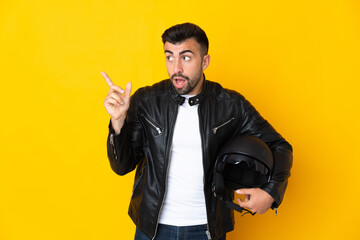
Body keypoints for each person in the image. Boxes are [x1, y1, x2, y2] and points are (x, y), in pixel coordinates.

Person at [102, 23, 293, 240]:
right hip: (152, 229)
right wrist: (118, 122)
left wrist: (271, 191)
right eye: (169, 57)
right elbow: (121, 166)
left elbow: (280, 146)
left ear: (205, 61)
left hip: (206, 229)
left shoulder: (230, 105)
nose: (176, 69)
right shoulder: (146, 101)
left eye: (185, 57)